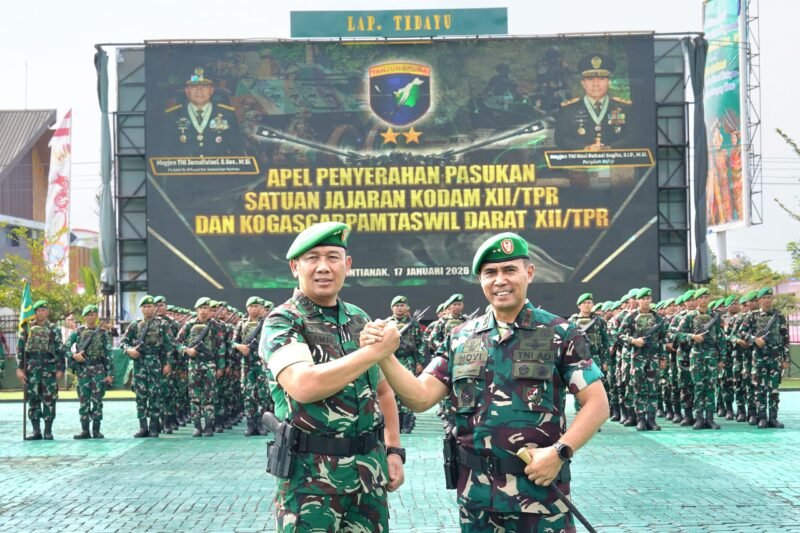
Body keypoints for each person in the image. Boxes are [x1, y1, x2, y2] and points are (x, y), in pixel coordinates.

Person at [365, 232, 608, 532]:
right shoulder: (460, 338)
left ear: (529, 273)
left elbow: (597, 404)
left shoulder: (560, 333)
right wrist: (384, 355)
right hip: (477, 499)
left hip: (539, 497)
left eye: (509, 270)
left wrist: (560, 452)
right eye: (490, 273)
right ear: (480, 280)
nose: (500, 280)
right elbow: (420, 397)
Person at [260, 222, 405, 532]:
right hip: (311, 483)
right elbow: (304, 385)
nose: (323, 267)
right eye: (312, 258)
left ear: (347, 265)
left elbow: (383, 391)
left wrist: (393, 450)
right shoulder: (283, 320)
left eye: (332, 257)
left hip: (368, 478)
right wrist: (374, 352)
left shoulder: (359, 319)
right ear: (294, 267)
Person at [735, 288, 790, 428]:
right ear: (759, 300)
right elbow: (741, 332)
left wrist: (786, 358)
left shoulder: (779, 316)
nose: (767, 300)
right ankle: (762, 417)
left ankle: (773, 417)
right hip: (759, 357)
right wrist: (754, 339)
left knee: (774, 390)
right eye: (764, 297)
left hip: (775, 357)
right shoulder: (752, 316)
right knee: (759, 388)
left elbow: (785, 337)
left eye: (769, 297)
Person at [158, 67, 244, 157]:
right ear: (187, 91)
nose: (199, 89)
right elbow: (165, 152)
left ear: (211, 90)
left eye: (204, 86)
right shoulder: (173, 115)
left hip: (218, 170)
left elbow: (237, 150)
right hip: (184, 170)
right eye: (194, 86)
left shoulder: (227, 114)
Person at [120, 295, 174, 438]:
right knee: (141, 396)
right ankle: (143, 427)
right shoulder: (135, 325)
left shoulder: (162, 325)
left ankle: (154, 426)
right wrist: (129, 350)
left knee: (155, 395)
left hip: (156, 363)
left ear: (154, 308)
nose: (147, 309)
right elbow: (123, 342)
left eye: (150, 306)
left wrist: (168, 364)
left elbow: (169, 346)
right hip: (139, 364)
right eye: (144, 307)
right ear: (141, 309)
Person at [555, 53, 633, 150]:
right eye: (590, 79)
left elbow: (632, 136)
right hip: (579, 163)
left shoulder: (625, 108)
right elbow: (561, 138)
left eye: (601, 79)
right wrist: (585, 148)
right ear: (583, 83)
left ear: (609, 82)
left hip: (616, 161)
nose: (596, 84)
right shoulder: (568, 109)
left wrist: (610, 148)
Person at [175, 297, 227, 437]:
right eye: (200, 309)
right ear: (196, 310)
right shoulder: (189, 325)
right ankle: (197, 426)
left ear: (210, 311)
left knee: (210, 397)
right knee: (194, 397)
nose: (203, 311)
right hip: (194, 364)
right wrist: (187, 350)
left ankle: (209, 426)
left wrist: (221, 367)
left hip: (210, 364)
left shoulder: (216, 326)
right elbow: (177, 342)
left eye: (206, 309)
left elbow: (221, 347)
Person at [618, 288, 666, 431]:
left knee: (652, 389)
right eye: (643, 299)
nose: (646, 301)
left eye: (648, 298)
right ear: (638, 300)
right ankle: (640, 418)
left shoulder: (658, 318)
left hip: (653, 357)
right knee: (638, 388)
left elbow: (663, 338)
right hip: (637, 358)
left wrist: (663, 357)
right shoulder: (631, 317)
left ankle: (651, 420)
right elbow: (619, 335)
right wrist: (633, 340)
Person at [16, 300, 65, 440]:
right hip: (31, 369)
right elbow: (20, 349)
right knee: (33, 399)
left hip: (49, 368)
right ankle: (36, 431)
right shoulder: (27, 328)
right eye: (38, 311)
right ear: (34, 312)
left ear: (47, 312)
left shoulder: (54, 329)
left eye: (43, 310)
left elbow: (60, 349)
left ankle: (48, 431)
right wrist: (19, 369)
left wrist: (61, 368)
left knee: (50, 399)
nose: (41, 313)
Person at [64, 305, 114, 439]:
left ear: (96, 316)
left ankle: (96, 430)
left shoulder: (102, 334)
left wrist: (110, 373)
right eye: (88, 315)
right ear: (84, 317)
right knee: (83, 400)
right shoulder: (78, 332)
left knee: (97, 400)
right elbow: (65, 347)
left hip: (98, 368)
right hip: (83, 369)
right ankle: (85, 430)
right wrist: (74, 356)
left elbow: (109, 353)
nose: (91, 317)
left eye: (93, 314)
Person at [386, 295, 425, 433]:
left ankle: (407, 423)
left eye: (402, 305)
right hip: (392, 360)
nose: (399, 308)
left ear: (407, 307)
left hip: (408, 361)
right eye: (396, 306)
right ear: (392, 308)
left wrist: (420, 363)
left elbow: (420, 343)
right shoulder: (387, 324)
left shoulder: (413, 324)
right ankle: (395, 423)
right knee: (391, 393)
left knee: (408, 390)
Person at [233, 296, 271, 436]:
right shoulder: (241, 324)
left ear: (262, 308)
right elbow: (232, 342)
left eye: (257, 306)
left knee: (263, 395)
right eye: (252, 306)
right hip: (247, 364)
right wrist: (239, 346)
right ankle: (250, 424)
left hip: (262, 364)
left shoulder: (267, 323)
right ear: (247, 308)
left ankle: (262, 424)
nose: (254, 309)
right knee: (248, 395)